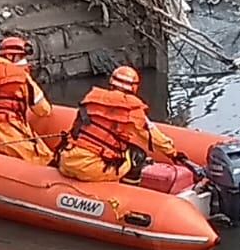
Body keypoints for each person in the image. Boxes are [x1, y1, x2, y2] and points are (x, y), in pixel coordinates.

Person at [57, 65, 192, 183]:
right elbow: (154, 138)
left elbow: (75, 131)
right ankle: (129, 195)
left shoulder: (90, 101)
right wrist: (173, 154)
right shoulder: (132, 111)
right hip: (92, 169)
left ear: (111, 82)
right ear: (134, 87)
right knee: (137, 156)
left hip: (67, 161)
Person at [0, 36, 54, 165]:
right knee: (45, 160)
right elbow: (43, 110)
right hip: (10, 134)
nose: (24, 61)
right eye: (21, 57)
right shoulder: (21, 76)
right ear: (11, 56)